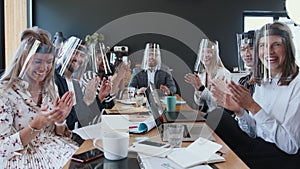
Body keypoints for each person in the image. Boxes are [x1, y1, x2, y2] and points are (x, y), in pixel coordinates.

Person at [211, 22, 300, 169]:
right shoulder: (263, 82)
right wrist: (239, 111)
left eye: (276, 45)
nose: (269, 51)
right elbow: (252, 132)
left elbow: (290, 146)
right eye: (263, 45)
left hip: (283, 157)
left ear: (288, 48)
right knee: (216, 117)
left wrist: (253, 106)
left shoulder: (297, 85)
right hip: (259, 146)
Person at [0, 27, 78, 168]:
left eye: (49, 62)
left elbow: (58, 134)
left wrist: (60, 121)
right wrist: (37, 123)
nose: (43, 68)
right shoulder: (4, 92)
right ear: (23, 60)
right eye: (37, 62)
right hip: (22, 159)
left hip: (54, 150)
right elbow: (2, 149)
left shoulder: (49, 87)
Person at [55, 37, 107, 129]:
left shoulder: (75, 83)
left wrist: (100, 98)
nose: (77, 58)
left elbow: (84, 119)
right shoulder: (55, 80)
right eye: (74, 53)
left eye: (82, 55)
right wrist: (86, 101)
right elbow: (65, 120)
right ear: (64, 51)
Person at [184, 39, 231, 112]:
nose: (205, 55)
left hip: (219, 116)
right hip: (205, 115)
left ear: (215, 55)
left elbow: (218, 104)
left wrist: (201, 88)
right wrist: (197, 90)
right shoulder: (202, 74)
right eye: (203, 52)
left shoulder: (223, 73)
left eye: (209, 52)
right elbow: (199, 102)